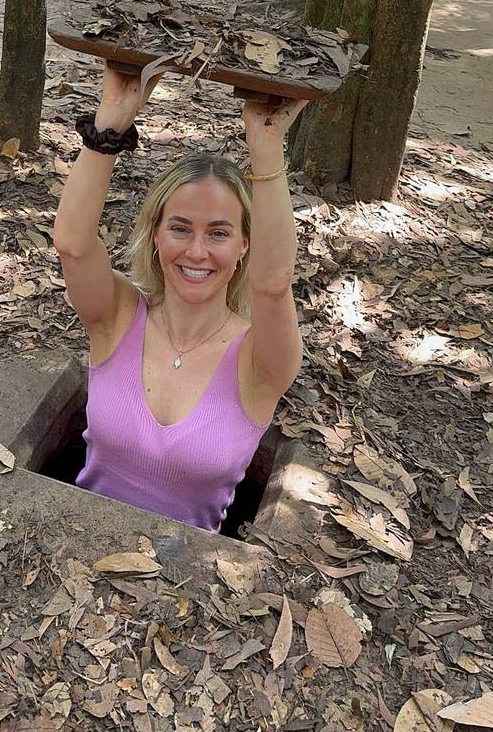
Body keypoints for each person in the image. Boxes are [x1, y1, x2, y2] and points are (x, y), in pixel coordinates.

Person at [52, 65, 306, 534]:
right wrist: (110, 123)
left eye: (219, 233)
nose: (197, 251)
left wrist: (267, 146)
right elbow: (72, 244)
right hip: (74, 547)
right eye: (181, 228)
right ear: (155, 234)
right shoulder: (116, 315)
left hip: (189, 573)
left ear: (244, 245)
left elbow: (273, 284)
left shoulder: (260, 361)